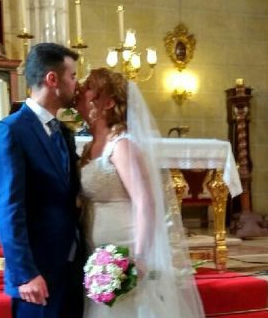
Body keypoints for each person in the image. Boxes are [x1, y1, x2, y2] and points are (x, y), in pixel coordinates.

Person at [75, 68, 204, 318]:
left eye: (89, 86)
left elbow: (146, 202)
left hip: (125, 248)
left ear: (109, 101)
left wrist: (139, 257)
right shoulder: (91, 145)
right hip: (97, 252)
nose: (81, 88)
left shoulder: (121, 145)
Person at [0, 43, 83, 318]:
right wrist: (25, 274)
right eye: (73, 76)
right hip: (36, 274)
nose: (77, 84)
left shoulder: (64, 132)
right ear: (53, 79)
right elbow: (8, 209)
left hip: (71, 266)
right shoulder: (10, 131)